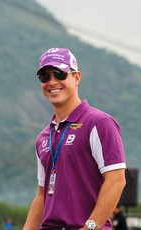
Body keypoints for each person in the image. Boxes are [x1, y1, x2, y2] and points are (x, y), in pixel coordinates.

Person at [23, 48, 126, 230]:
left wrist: (89, 227)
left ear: (76, 77)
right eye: (44, 77)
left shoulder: (99, 123)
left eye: (60, 74)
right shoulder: (43, 137)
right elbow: (41, 195)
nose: (52, 82)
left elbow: (116, 180)